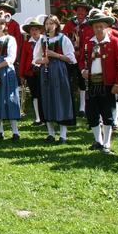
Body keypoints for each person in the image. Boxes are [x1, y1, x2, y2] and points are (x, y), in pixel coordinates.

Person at [81, 7, 118, 153]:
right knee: (92, 112)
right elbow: (81, 59)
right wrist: (83, 70)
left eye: (102, 26)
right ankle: (98, 141)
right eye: (96, 26)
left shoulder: (114, 42)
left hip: (108, 83)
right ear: (93, 28)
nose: (99, 29)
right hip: (92, 82)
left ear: (107, 27)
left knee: (107, 112)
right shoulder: (89, 42)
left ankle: (106, 142)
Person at [36, 14, 76, 143]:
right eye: (47, 24)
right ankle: (51, 133)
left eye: (51, 23)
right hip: (46, 72)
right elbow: (34, 59)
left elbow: (71, 58)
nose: (49, 26)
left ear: (57, 25)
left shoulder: (63, 39)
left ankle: (63, 135)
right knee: (47, 99)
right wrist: (44, 60)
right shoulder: (42, 40)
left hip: (59, 71)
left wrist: (56, 55)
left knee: (61, 99)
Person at [63, 0, 93, 116]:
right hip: (70, 57)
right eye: (78, 10)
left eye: (83, 11)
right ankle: (69, 105)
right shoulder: (70, 24)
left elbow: (89, 40)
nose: (80, 12)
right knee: (68, 80)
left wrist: (81, 52)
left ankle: (82, 107)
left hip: (83, 57)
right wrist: (70, 52)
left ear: (86, 12)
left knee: (82, 81)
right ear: (75, 12)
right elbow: (64, 38)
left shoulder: (89, 25)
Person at [19, 15, 46, 126]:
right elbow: (23, 59)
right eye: (32, 30)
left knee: (43, 94)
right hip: (31, 72)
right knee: (34, 95)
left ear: (40, 30)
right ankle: (38, 117)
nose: (34, 32)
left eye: (36, 29)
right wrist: (21, 74)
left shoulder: (45, 41)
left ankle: (46, 117)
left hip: (43, 71)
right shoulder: (27, 44)